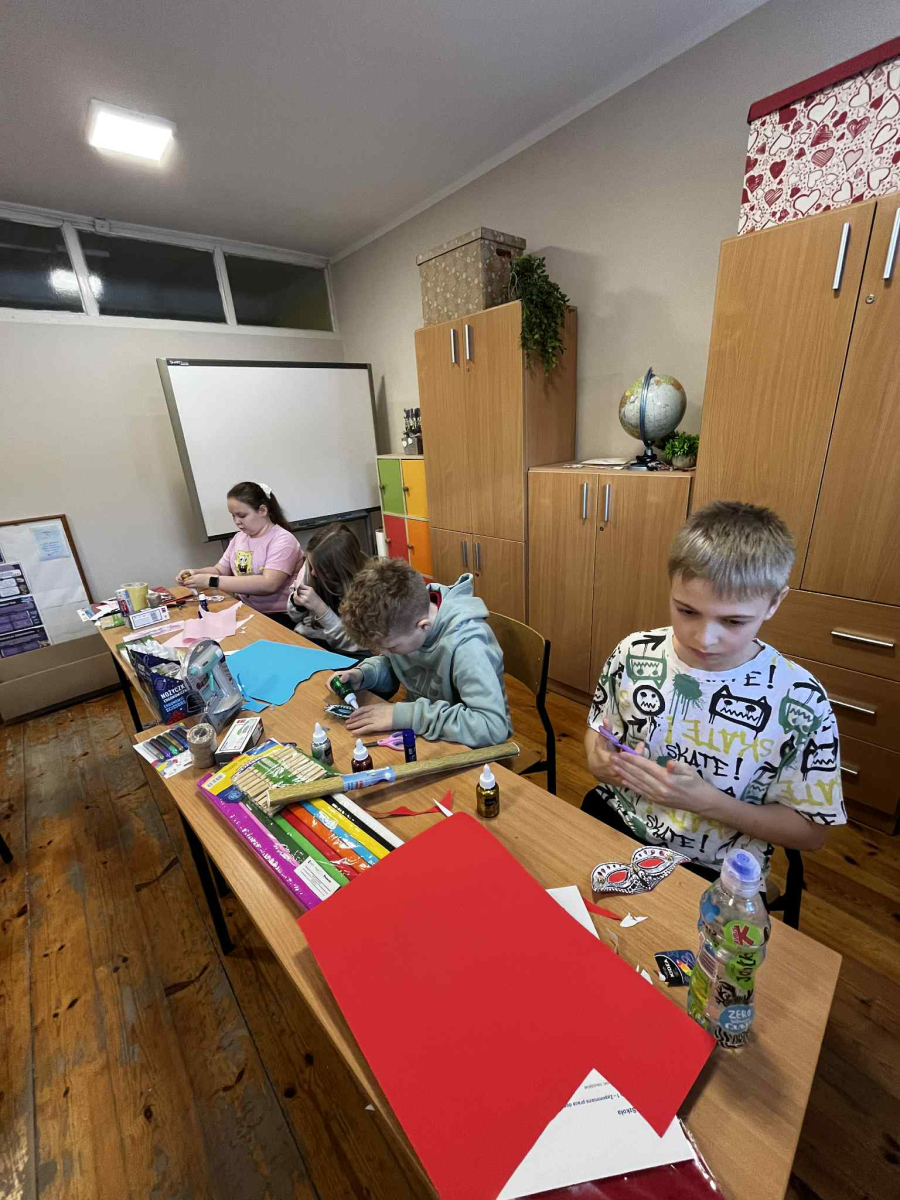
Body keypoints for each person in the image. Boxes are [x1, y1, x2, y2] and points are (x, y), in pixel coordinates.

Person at [583, 500, 845, 882]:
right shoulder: (633, 653)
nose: (704, 638)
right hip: (613, 819)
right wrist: (600, 763)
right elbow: (596, 737)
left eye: (734, 621)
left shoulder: (801, 700)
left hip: (716, 868)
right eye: (687, 611)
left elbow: (812, 833)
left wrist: (707, 803)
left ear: (774, 602)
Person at [335, 558, 511, 747]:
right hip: (427, 732)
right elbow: (399, 666)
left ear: (423, 626)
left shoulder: (468, 646)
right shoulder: (407, 620)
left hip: (469, 746)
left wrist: (406, 716)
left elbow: (493, 727)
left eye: (391, 647)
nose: (385, 653)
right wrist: (364, 675)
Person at [177, 481, 302, 627]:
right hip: (248, 609)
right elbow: (220, 570)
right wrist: (196, 573)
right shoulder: (239, 538)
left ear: (262, 510)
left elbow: (269, 584)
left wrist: (211, 581)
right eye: (233, 516)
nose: (237, 521)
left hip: (280, 615)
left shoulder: (283, 540)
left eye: (242, 515)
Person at [286, 523, 369, 654]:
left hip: (344, 651)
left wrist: (321, 609)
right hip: (308, 639)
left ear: (339, 569)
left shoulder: (368, 588)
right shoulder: (312, 567)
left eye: (321, 570)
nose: (313, 573)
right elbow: (294, 617)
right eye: (311, 566)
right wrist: (297, 604)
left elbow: (354, 645)